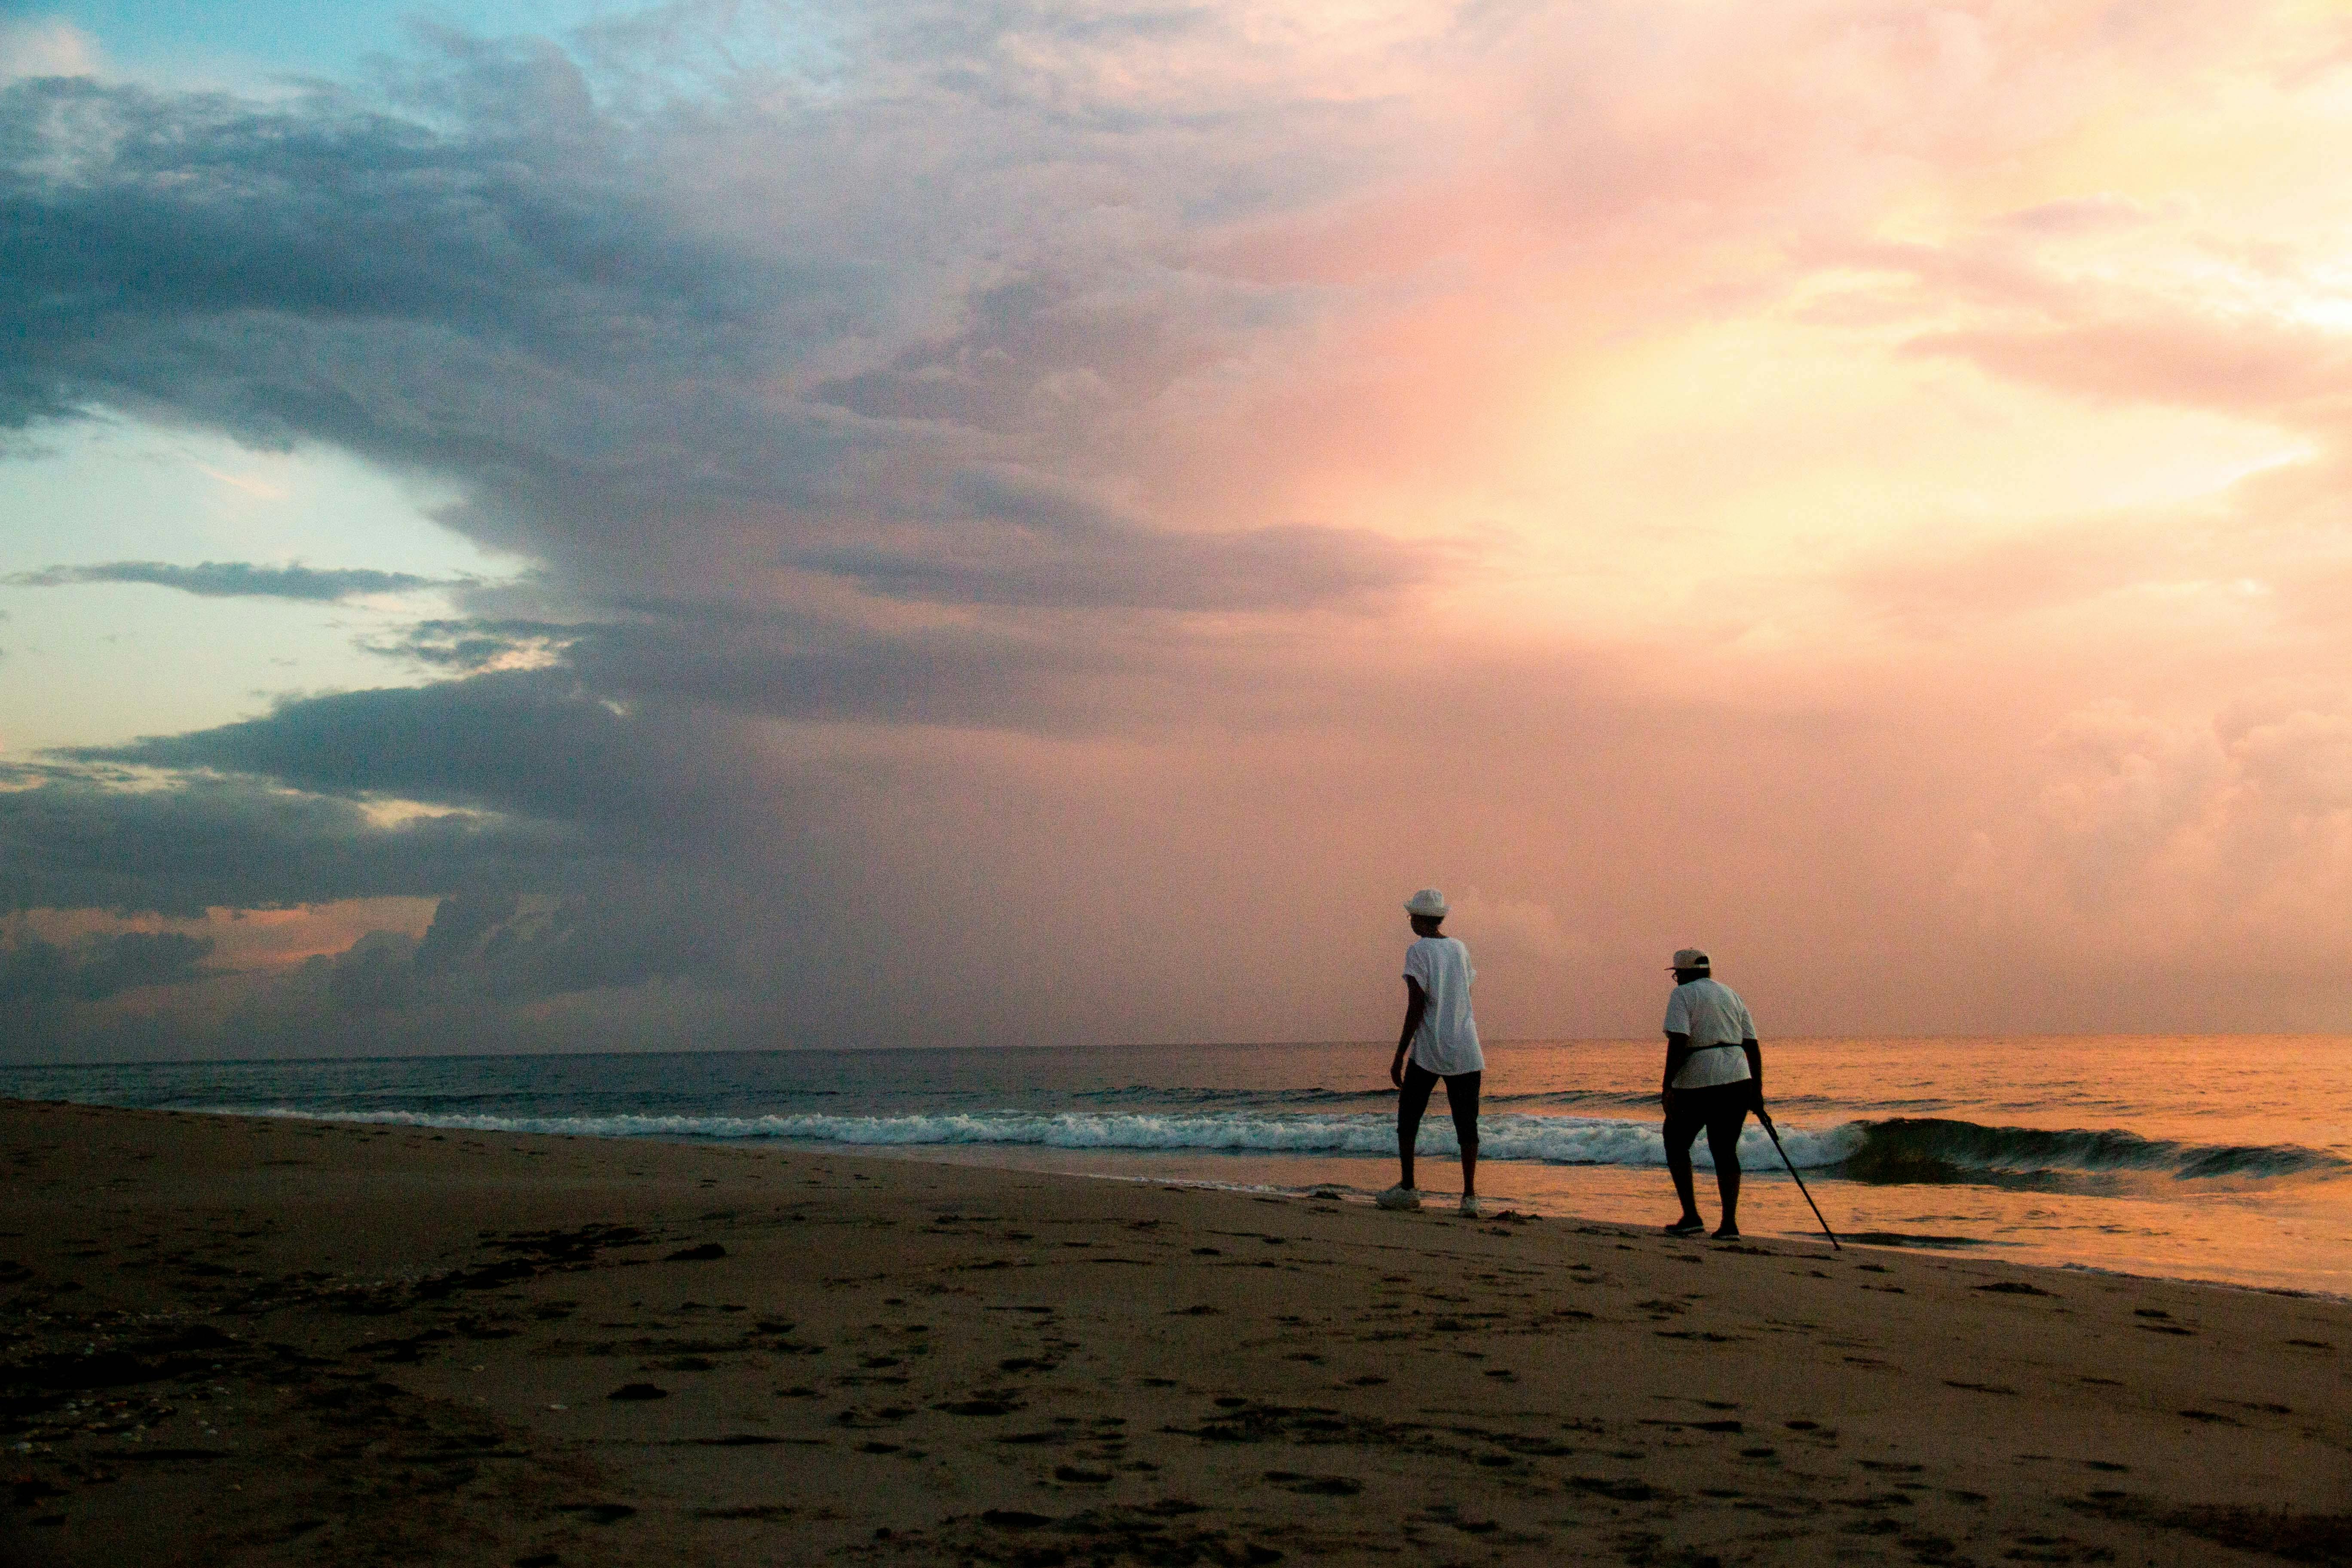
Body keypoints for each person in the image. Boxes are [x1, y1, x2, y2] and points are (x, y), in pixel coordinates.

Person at [1378, 888, 1484, 1219]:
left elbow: (1416, 1004)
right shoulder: (1460, 948)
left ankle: (1409, 1187)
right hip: (1466, 1047)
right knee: (1467, 1124)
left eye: (1412, 915)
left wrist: (1399, 1054)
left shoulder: (1418, 951)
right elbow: (1464, 992)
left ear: (1423, 919)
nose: (1410, 920)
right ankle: (1469, 1196)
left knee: (1409, 1118)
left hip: (1428, 1049)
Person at [1659, 947, 1763, 1240]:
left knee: (1676, 1141)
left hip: (1698, 1081)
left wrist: (1667, 1085)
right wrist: (1757, 1090)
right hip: (1737, 1078)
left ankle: (1691, 1216)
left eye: (1678, 974)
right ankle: (1729, 1224)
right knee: (1725, 1150)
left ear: (1684, 973)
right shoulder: (1731, 994)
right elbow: (1752, 1045)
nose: (1677, 979)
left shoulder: (1682, 995)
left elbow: (1679, 1040)